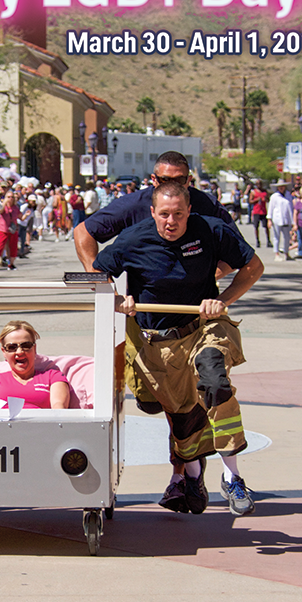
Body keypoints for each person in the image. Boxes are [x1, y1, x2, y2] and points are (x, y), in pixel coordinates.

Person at [93, 181, 264, 517]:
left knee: (214, 378)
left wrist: (223, 300)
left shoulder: (211, 230)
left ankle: (232, 477)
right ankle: (193, 478)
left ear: (189, 211)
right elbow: (97, 272)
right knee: (183, 418)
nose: (171, 222)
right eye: (164, 215)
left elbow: (253, 267)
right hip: (160, 343)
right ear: (152, 212)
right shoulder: (133, 239)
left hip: (205, 328)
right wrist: (116, 298)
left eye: (179, 215)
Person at [74, 151, 237, 423]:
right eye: (163, 180)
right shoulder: (134, 205)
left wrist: (206, 275)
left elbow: (238, 251)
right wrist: (102, 285)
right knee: (151, 401)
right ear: (153, 180)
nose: (171, 220)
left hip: (195, 314)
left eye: (180, 180)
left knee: (200, 388)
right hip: (145, 314)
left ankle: (191, 445)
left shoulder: (206, 205)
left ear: (189, 180)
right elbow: (83, 231)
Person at [0, 321, 70, 409]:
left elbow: (58, 409)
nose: (19, 352)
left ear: (34, 349)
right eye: (12, 347)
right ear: (4, 352)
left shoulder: (53, 377)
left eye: (26, 346)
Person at [267, 181, 294, 261]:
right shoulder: (274, 196)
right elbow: (271, 208)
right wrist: (269, 219)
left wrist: (293, 221)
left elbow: (291, 209)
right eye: (280, 186)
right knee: (276, 237)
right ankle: (277, 254)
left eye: (283, 186)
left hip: (286, 219)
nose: (281, 188)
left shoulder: (289, 196)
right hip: (277, 219)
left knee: (287, 237)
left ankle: (286, 253)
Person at [249, 180, 271, 248]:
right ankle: (257, 241)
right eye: (258, 184)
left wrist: (266, 199)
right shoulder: (253, 192)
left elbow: (268, 199)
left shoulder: (265, 191)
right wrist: (256, 200)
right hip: (256, 211)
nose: (259, 185)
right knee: (256, 227)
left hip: (263, 211)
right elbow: (250, 201)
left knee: (266, 227)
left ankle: (268, 241)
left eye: (260, 184)